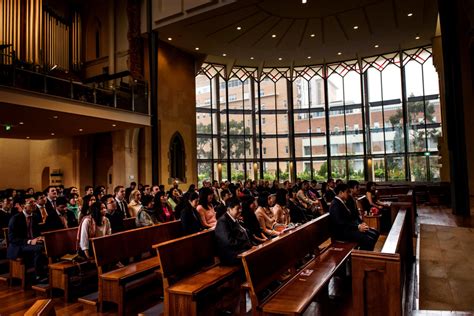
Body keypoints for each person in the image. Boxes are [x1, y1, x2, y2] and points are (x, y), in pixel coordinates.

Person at [7, 197, 47, 283]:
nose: (34, 204)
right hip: (18, 246)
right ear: (23, 206)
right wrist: (29, 241)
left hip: (31, 243)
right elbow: (12, 238)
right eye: (31, 203)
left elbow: (36, 232)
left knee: (48, 244)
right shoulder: (15, 218)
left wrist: (39, 237)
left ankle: (49, 272)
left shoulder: (35, 216)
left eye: (34, 202)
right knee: (39, 248)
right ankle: (38, 276)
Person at [329, 183, 378, 251]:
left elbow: (351, 217)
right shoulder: (335, 204)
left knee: (374, 234)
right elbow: (340, 222)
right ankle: (361, 257)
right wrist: (357, 227)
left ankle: (362, 255)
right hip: (341, 233)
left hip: (348, 229)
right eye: (347, 192)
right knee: (368, 239)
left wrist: (360, 224)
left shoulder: (342, 202)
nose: (348, 194)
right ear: (341, 192)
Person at [215, 199, 253, 265]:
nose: (240, 210)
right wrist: (247, 246)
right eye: (237, 208)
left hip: (240, 249)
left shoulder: (234, 218)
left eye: (240, 208)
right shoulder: (222, 221)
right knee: (254, 255)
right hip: (231, 254)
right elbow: (229, 242)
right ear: (229, 209)